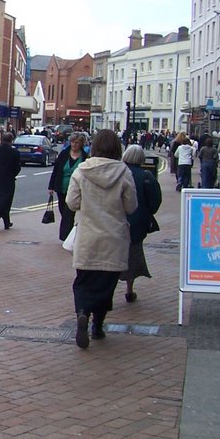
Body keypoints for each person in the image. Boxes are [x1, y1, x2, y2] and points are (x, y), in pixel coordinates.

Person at [66, 130, 138, 349]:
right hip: (113, 237)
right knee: (106, 284)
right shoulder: (123, 172)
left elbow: (71, 202)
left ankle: (82, 313)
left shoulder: (81, 171)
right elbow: (131, 206)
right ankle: (97, 325)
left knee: (84, 280)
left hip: (88, 235)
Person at [121, 144, 162, 304]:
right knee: (133, 254)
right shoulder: (146, 176)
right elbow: (155, 201)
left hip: (115, 221)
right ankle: (129, 290)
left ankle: (108, 288)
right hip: (137, 223)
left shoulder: (117, 174)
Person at [49, 132, 88, 241]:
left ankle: (66, 237)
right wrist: (51, 186)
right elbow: (56, 170)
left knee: (69, 212)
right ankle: (69, 234)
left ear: (81, 144)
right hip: (62, 187)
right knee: (63, 210)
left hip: (77, 189)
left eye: (77, 143)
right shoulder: (64, 154)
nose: (74, 145)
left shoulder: (85, 156)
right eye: (72, 142)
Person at [0, 131, 22, 232]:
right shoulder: (15, 152)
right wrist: (12, 175)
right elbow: (17, 168)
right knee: (4, 202)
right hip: (9, 179)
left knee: (0, 199)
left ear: (2, 139)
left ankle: (7, 222)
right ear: (11, 140)